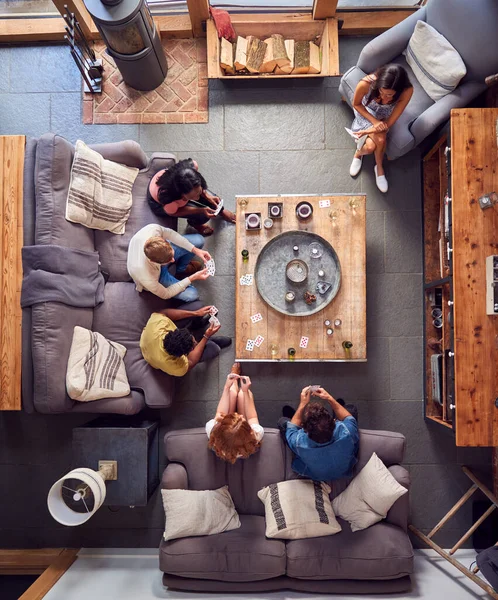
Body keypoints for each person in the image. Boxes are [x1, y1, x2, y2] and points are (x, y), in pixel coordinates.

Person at [349, 64, 413, 193]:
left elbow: (389, 122)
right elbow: (356, 104)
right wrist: (374, 122)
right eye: (382, 92)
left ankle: (371, 160)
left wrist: (369, 130)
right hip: (366, 112)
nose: (384, 98)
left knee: (379, 140)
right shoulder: (366, 83)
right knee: (373, 145)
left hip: (384, 117)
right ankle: (377, 166)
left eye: (390, 95)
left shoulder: (407, 91)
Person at [278, 386, 359, 481]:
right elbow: (348, 418)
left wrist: (303, 404)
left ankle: (295, 415)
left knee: (283, 422)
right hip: (344, 471)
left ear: (305, 430)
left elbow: (291, 428)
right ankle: (335, 410)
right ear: (334, 422)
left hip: (316, 475)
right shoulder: (348, 432)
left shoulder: (298, 442)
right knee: (350, 409)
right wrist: (329, 398)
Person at [148, 158, 236, 237]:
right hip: (160, 205)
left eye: (199, 192)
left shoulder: (191, 167)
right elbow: (174, 213)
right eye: (193, 197)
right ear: (182, 195)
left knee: (212, 199)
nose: (198, 198)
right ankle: (196, 224)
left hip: (173, 182)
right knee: (202, 215)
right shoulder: (169, 201)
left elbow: (199, 186)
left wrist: (207, 196)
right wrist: (201, 210)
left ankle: (221, 211)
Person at [140, 302, 231, 377]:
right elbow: (191, 361)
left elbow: (164, 313)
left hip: (151, 339)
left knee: (197, 306)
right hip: (152, 355)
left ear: (173, 331)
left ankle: (197, 326)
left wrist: (196, 313)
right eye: (194, 344)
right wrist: (206, 337)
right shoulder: (176, 366)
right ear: (184, 354)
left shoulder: (158, 324)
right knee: (214, 348)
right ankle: (208, 340)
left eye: (192, 337)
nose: (195, 341)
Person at [127, 223, 211, 303]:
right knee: (192, 295)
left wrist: (195, 250)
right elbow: (166, 294)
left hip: (158, 260)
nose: (173, 260)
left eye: (172, 256)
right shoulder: (146, 276)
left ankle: (181, 269)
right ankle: (179, 271)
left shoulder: (153, 229)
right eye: (169, 260)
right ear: (153, 261)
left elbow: (171, 234)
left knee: (199, 240)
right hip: (156, 276)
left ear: (163, 240)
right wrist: (192, 278)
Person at [206, 364, 263, 464]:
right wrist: (245, 391)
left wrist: (227, 387)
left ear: (219, 427)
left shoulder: (211, 429)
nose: (240, 415)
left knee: (231, 393)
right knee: (242, 395)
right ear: (249, 432)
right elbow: (252, 417)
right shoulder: (256, 435)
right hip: (243, 445)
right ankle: (237, 383)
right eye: (242, 418)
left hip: (233, 439)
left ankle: (234, 378)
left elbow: (220, 413)